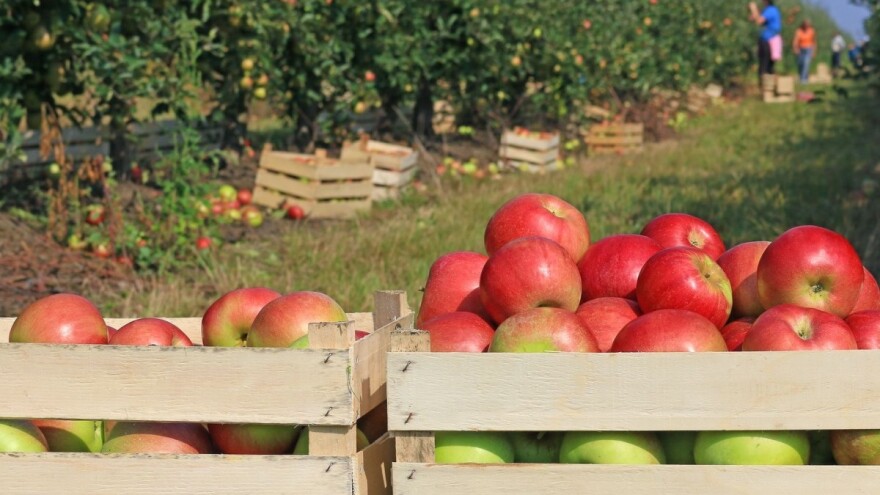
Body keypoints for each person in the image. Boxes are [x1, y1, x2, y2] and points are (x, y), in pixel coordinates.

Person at [749, 1, 782, 82]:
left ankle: (765, 87)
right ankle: (768, 87)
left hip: (767, 40)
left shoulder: (770, 10)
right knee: (768, 65)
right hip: (769, 39)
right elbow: (752, 19)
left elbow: (759, 21)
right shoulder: (769, 10)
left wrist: (753, 9)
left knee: (765, 64)